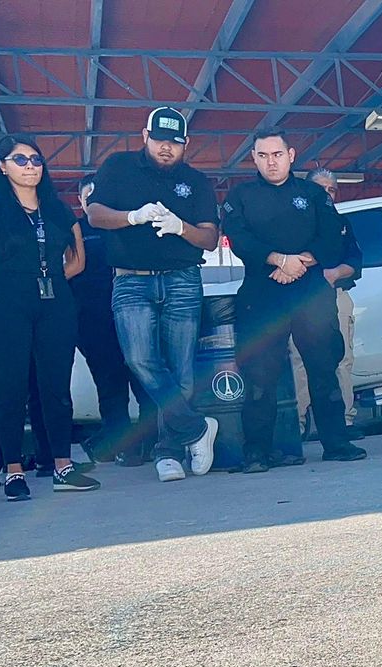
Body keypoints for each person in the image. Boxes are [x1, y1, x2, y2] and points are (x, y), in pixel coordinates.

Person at [85, 107, 220, 483]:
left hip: (182, 278)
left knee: (181, 370)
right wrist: (133, 217)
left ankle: (169, 452)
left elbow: (209, 238)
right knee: (140, 359)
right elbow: (95, 214)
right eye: (160, 140)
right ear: (145, 135)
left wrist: (181, 228)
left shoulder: (196, 182)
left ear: (185, 145)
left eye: (174, 143)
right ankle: (197, 429)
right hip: (130, 280)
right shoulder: (118, 166)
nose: (166, 149)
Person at [0, 134, 97, 500]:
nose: (31, 166)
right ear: (1, 166)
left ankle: (62, 465)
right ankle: (12, 470)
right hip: (5, 301)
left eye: (36, 160)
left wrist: (46, 278)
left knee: (55, 386)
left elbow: (77, 260)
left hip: (56, 303)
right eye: (20, 160)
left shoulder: (58, 208)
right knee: (8, 387)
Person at [221, 130, 366, 472]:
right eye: (263, 155)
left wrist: (300, 261)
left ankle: (336, 443)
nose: (271, 161)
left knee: (323, 367)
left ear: (291, 154)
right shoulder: (240, 196)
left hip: (309, 292)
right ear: (254, 158)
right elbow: (239, 239)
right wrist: (276, 259)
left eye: (277, 154)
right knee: (260, 374)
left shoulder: (313, 194)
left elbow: (332, 236)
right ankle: (257, 452)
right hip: (262, 291)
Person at [72, 175, 155, 465]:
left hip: (134, 314)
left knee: (145, 380)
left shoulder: (126, 226)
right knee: (110, 387)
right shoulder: (75, 231)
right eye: (86, 196)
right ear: (81, 202)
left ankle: (152, 442)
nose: (92, 199)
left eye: (97, 193)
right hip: (93, 322)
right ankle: (124, 446)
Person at [290, 168, 362, 442]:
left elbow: (356, 261)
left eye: (332, 190)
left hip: (336, 295)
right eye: (321, 190)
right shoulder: (294, 223)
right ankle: (298, 423)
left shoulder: (341, 223)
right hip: (302, 300)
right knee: (299, 360)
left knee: (342, 358)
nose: (328, 195)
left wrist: (333, 274)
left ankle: (343, 420)